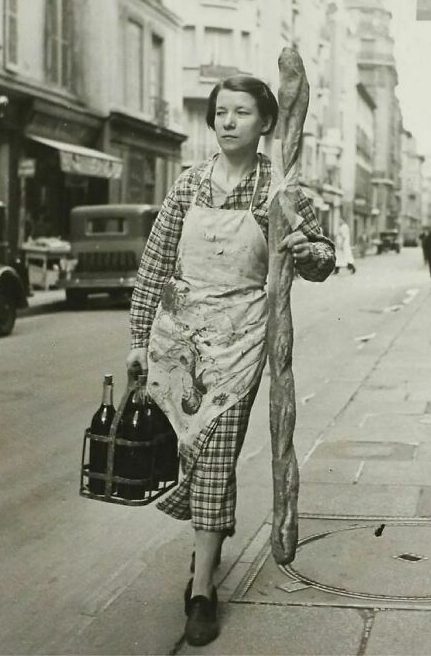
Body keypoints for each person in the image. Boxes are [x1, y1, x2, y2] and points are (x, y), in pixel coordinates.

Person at [126, 74, 335, 647]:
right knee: (188, 456)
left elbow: (323, 261)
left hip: (242, 342)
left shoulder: (283, 190)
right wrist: (140, 340)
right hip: (180, 342)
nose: (227, 121)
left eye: (241, 112)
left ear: (266, 122)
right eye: (221, 112)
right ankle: (209, 546)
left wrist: (303, 248)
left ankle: (201, 592)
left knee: (216, 453)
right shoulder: (188, 182)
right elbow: (154, 264)